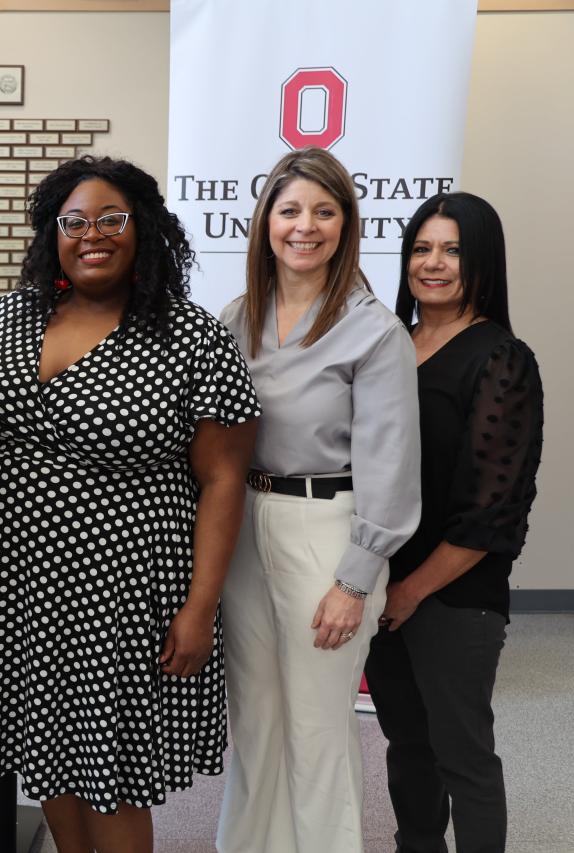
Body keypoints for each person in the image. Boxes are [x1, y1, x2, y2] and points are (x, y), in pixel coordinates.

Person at [0, 155, 260, 853]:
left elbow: (224, 478)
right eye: (74, 221)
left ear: (142, 229)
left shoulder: (190, 336)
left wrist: (200, 607)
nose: (93, 235)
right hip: (8, 581)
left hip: (118, 590)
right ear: (52, 233)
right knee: (48, 754)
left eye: (112, 219)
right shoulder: (7, 314)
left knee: (107, 772)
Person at [215, 146, 421, 852]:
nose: (306, 226)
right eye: (291, 208)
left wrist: (354, 580)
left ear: (347, 225)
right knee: (258, 722)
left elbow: (391, 465)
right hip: (244, 526)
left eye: (324, 211)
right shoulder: (237, 317)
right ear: (266, 220)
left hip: (329, 531)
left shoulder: (374, 329)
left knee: (318, 726)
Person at [365, 192, 543, 853]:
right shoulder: (389, 344)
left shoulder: (500, 358)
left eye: (452, 250)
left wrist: (409, 593)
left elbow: (492, 510)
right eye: (421, 248)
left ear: (482, 263)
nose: (432, 263)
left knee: (460, 752)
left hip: (453, 596)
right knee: (407, 743)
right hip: (378, 584)